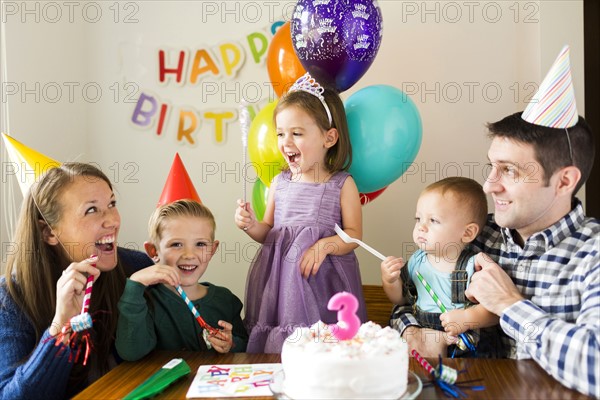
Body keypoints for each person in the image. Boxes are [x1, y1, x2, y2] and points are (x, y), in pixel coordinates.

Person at [234, 73, 366, 353]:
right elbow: (268, 232)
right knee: (282, 342)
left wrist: (325, 245)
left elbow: (355, 236)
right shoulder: (279, 184)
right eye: (281, 133)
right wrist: (250, 225)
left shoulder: (341, 184)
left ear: (329, 137)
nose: (286, 142)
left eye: (297, 133)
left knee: (322, 345)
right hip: (281, 283)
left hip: (322, 281)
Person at [0, 162, 153, 400]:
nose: (112, 220)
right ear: (49, 232)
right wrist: (60, 326)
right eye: (92, 210)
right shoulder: (10, 298)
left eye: (112, 204)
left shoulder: (137, 270)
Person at [116, 199, 248, 361]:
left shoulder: (226, 300)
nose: (189, 254)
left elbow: (246, 347)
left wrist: (231, 344)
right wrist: (135, 284)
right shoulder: (145, 302)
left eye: (200, 244)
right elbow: (131, 352)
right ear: (153, 251)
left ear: (212, 250)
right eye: (177, 244)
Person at [381, 177, 499, 356]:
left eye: (433, 221)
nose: (421, 227)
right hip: (421, 331)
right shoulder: (417, 260)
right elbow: (401, 300)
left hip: (457, 336)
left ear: (467, 233)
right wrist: (390, 281)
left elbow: (493, 311)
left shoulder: (472, 267)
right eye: (418, 218)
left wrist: (467, 318)